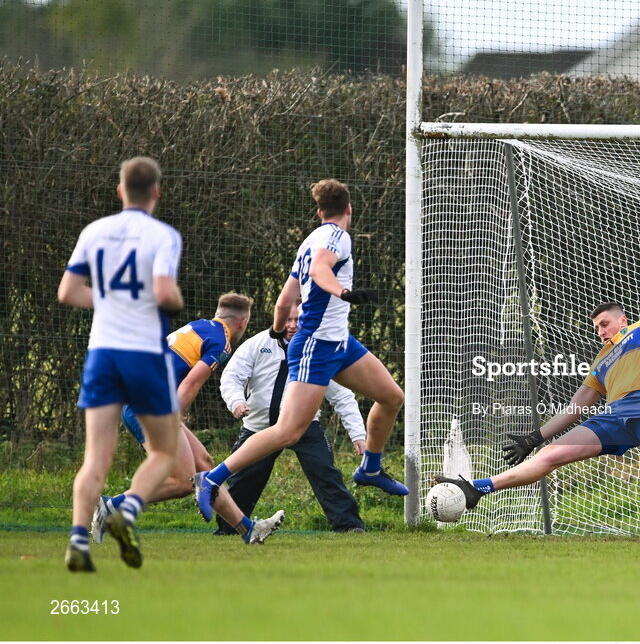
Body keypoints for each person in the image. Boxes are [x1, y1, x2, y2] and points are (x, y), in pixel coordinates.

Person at [437, 236, 640, 543]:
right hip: (613, 416)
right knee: (551, 454)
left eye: (604, 324)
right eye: (596, 328)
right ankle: (476, 489)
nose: (600, 331)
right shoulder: (601, 361)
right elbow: (577, 407)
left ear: (623, 320)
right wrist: (536, 438)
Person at [195, 179, 407, 521]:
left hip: (340, 343)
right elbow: (322, 269)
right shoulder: (336, 237)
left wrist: (279, 329)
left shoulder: (308, 241)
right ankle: (211, 480)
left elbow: (283, 301)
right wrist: (343, 293)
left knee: (391, 396)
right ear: (348, 209)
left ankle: (370, 468)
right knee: (288, 432)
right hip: (317, 347)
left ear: (319, 212)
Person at [59, 156, 184, 571]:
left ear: (119, 191)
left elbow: (68, 291)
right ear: (156, 193)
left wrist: (109, 302)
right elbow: (165, 294)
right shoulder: (163, 235)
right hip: (145, 354)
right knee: (165, 452)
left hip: (103, 353)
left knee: (96, 458)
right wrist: (175, 299)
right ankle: (126, 511)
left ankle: (78, 541)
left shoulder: (95, 231)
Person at [93, 293, 285, 546]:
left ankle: (249, 530)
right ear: (243, 323)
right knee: (183, 483)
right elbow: (190, 384)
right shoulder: (221, 342)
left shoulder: (200, 326)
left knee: (204, 468)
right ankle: (110, 506)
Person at [215, 301, 367, 534]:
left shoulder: (317, 351)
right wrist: (236, 402)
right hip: (260, 428)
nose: (293, 325)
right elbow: (232, 377)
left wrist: (358, 433)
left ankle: (350, 527)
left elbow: (342, 395)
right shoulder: (256, 344)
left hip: (304, 426)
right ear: (278, 318)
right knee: (244, 479)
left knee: (326, 474)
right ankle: (229, 529)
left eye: (299, 320)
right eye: (288, 319)